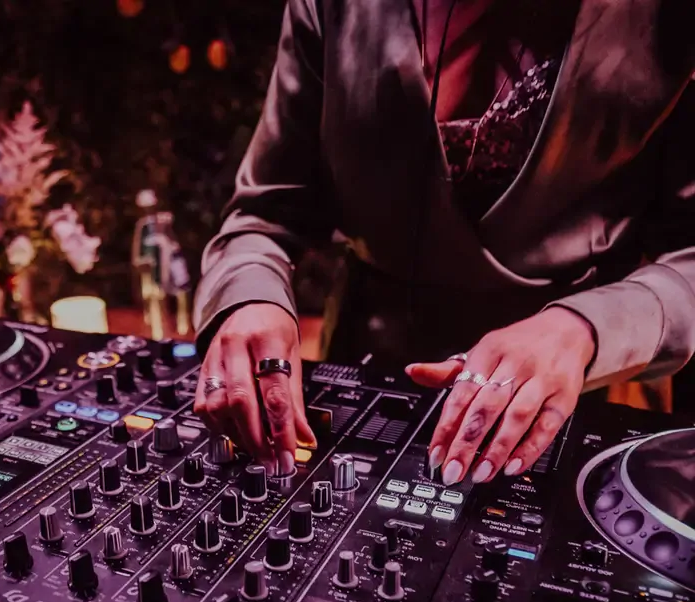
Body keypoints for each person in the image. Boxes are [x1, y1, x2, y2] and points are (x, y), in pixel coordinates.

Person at [192, 0, 695, 485]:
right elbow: (263, 215)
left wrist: (584, 329)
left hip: (589, 397)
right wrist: (250, 298)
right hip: (365, 383)